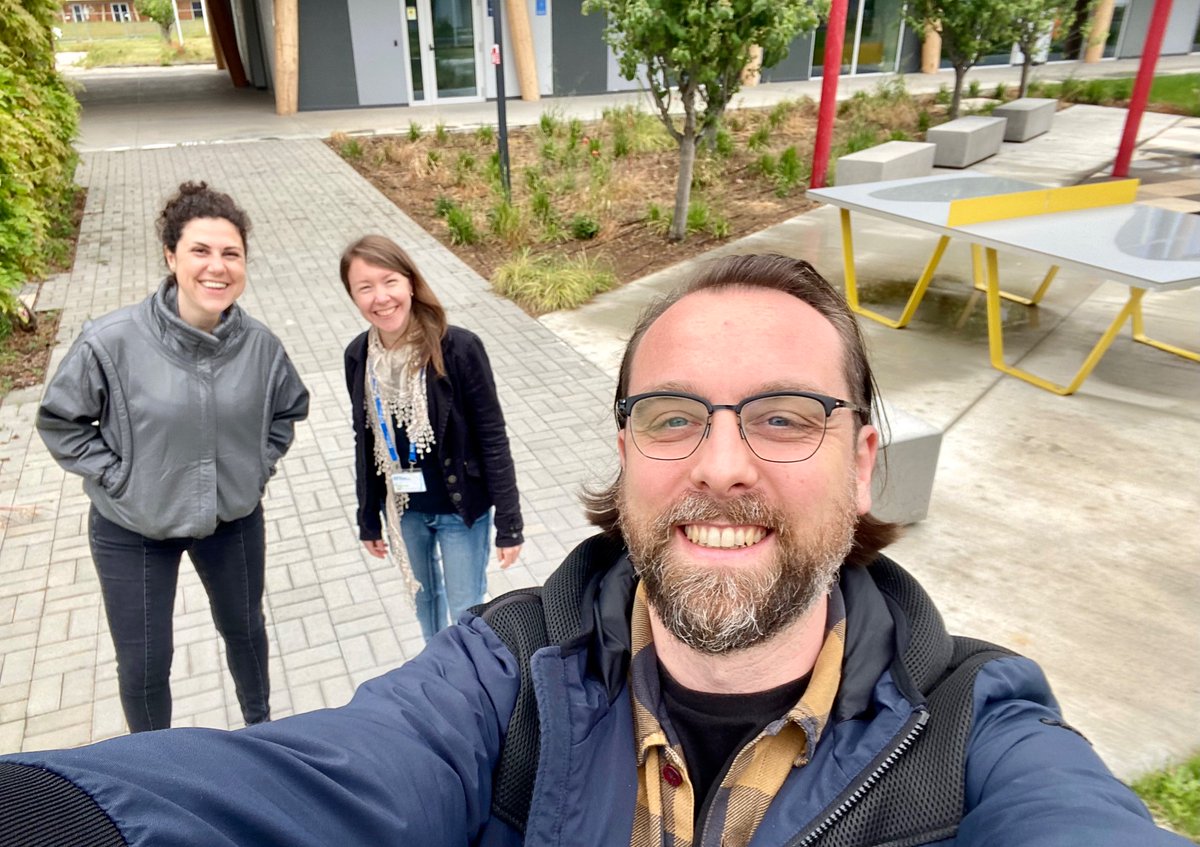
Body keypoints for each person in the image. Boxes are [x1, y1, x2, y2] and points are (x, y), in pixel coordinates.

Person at [1, 254, 1186, 846]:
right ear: (625, 460)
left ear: (865, 461)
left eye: (782, 416)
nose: (721, 464)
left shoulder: (975, 731)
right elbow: (317, 783)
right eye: (672, 416)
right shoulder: (502, 681)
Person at [34, 181, 310, 733]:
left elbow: (288, 411)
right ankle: (155, 765)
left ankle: (263, 733)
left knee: (245, 631)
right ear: (170, 257)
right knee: (144, 664)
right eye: (200, 251)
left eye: (231, 253)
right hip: (132, 527)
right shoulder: (110, 342)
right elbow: (60, 421)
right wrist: (120, 477)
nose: (217, 267)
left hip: (230, 521)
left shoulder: (261, 347)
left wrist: (255, 469)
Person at [340, 234, 523, 640]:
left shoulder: (457, 347)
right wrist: (367, 517)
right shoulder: (359, 357)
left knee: (465, 610)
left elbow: (492, 436)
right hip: (405, 510)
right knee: (423, 601)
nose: (381, 297)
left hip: (461, 511)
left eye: (389, 281)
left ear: (410, 282)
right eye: (364, 287)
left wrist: (510, 523)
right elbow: (364, 441)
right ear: (352, 296)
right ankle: (434, 672)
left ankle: (470, 685)